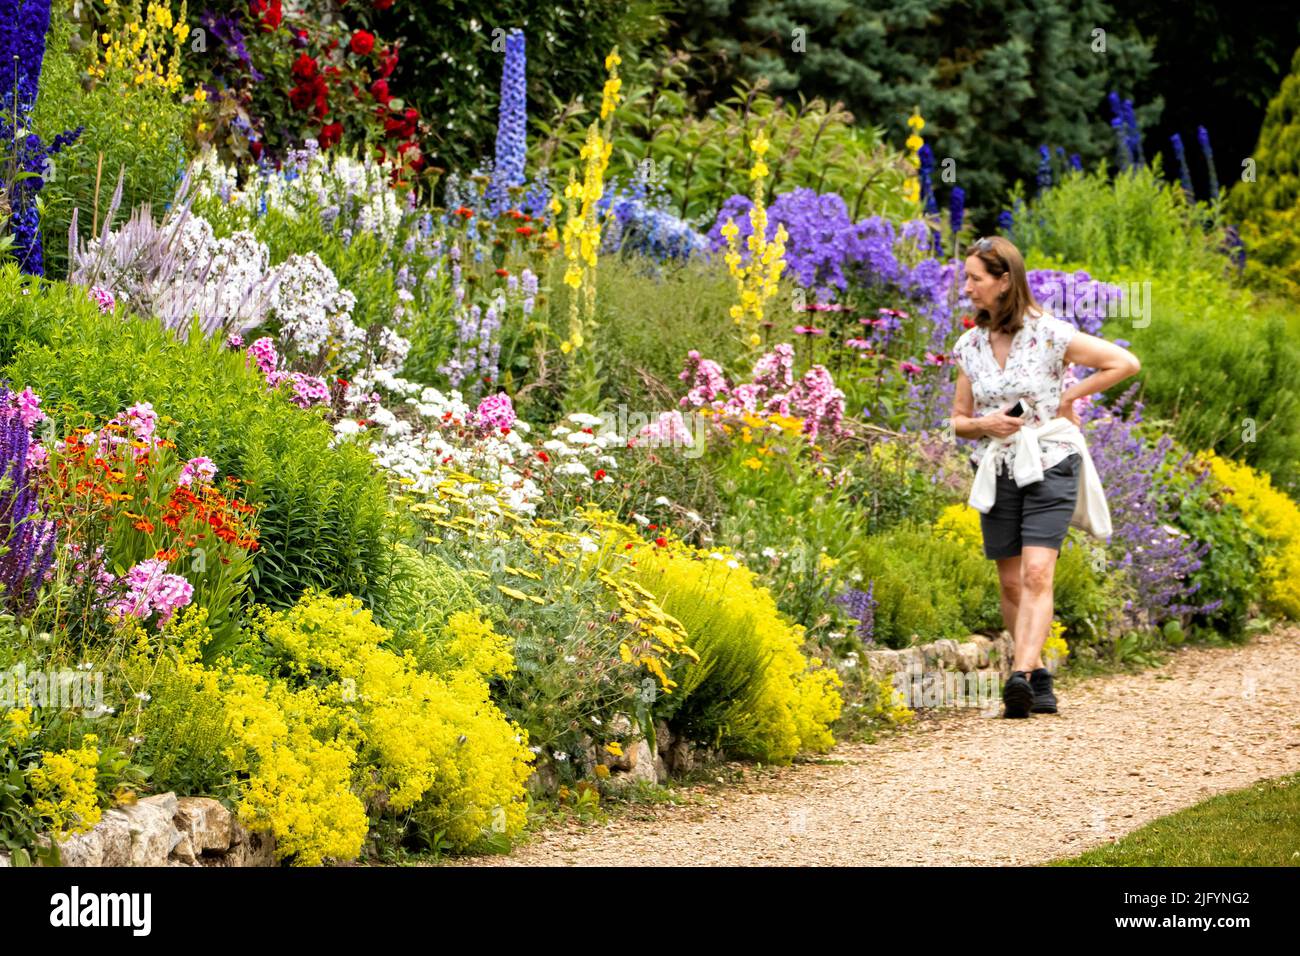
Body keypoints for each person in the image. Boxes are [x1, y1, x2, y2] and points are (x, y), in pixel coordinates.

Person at [949, 236, 1140, 718]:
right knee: (1011, 583)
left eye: (975, 278)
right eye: (966, 277)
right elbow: (958, 420)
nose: (966, 287)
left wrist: (1067, 397)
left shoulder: (1049, 333)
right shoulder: (969, 346)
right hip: (998, 467)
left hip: (1051, 460)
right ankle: (1037, 678)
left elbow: (1124, 363)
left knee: (1037, 572)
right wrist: (984, 425)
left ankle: (1019, 674)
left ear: (1004, 280)